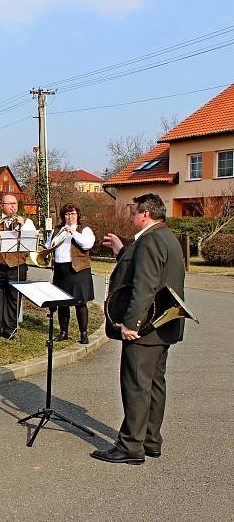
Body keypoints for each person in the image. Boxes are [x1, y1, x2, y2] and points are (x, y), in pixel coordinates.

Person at [91, 193, 186, 465]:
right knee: (154, 384)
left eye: (133, 212)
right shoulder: (166, 236)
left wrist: (131, 325)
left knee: (136, 386)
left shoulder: (151, 240)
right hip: (162, 327)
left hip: (145, 329)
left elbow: (144, 286)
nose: (131, 216)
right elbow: (148, 270)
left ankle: (131, 446)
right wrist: (121, 251)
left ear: (145, 214)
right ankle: (150, 440)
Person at [0, 194, 36, 339]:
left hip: (17, 265)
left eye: (15, 203)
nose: (13, 206)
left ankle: (10, 329)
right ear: (2, 205)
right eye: (10, 203)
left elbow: (31, 240)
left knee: (14, 299)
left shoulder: (27, 222)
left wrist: (23, 226)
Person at [50, 203, 95, 345]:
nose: (70, 217)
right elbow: (49, 245)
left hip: (78, 270)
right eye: (68, 214)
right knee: (62, 303)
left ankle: (83, 333)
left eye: (73, 214)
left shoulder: (84, 230)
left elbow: (87, 244)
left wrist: (72, 232)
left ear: (78, 215)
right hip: (60, 270)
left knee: (80, 303)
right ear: (63, 216)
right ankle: (63, 332)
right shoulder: (57, 230)